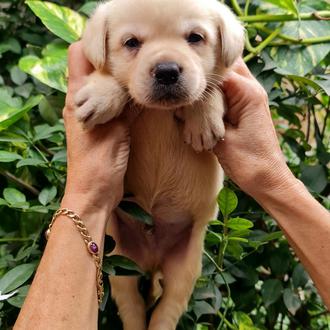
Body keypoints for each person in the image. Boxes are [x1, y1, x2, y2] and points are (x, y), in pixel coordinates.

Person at [14, 41, 330, 329]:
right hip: (124, 219)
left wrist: (208, 101)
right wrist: (108, 90)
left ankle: (166, 315)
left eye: (193, 37)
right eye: (134, 42)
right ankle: (133, 314)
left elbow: (218, 76)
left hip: (182, 228)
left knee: (175, 291)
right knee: (127, 296)